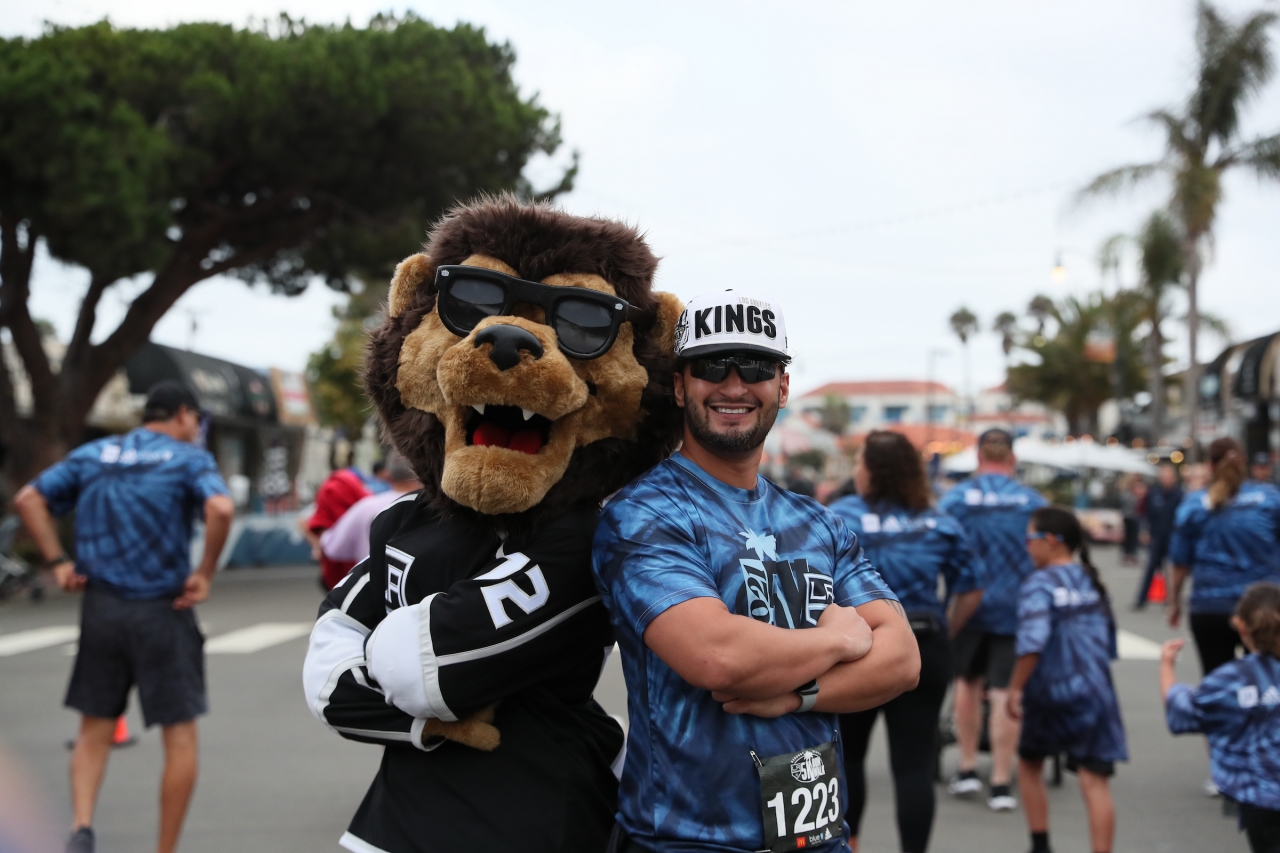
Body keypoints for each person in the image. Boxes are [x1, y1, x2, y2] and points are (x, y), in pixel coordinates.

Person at [593, 289, 920, 853]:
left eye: (757, 366)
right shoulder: (644, 513)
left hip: (817, 838)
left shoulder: (817, 522)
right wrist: (839, 637)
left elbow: (902, 660)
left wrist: (799, 696)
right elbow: (719, 657)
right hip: (685, 839)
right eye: (712, 365)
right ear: (680, 385)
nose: (735, 384)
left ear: (782, 386)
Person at [13, 381, 234, 853]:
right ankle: (164, 848)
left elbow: (28, 499)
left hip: (102, 609)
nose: (195, 429)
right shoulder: (189, 459)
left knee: (93, 729)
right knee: (179, 737)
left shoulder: (95, 453)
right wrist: (205, 573)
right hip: (163, 610)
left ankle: (81, 828)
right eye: (195, 420)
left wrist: (57, 563)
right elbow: (219, 507)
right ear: (181, 414)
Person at [828, 430, 985, 853]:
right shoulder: (938, 519)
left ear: (872, 471)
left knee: (850, 757)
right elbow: (970, 586)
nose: (856, 471)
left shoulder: (837, 516)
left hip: (856, 646)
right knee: (914, 765)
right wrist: (946, 626)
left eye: (860, 462)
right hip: (924, 642)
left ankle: (851, 844)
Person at [937, 428, 1047, 811]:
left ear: (978, 456)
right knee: (1005, 693)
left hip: (968, 605)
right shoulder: (1032, 502)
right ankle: (1001, 780)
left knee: (966, 685)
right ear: (1012, 459)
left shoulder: (956, 499)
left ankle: (967, 769)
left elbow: (937, 544)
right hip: (1016, 608)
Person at [1008, 507, 1126, 853]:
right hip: (1095, 691)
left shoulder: (1039, 584)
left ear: (1049, 541)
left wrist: (1015, 688)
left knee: (1030, 764)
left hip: (1050, 692)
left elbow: (1032, 642)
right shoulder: (1091, 580)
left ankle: (1040, 845)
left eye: (1029, 539)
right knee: (1094, 780)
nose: (1026, 548)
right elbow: (1110, 644)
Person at [1162, 581, 1280, 853]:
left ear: (1240, 626)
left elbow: (1183, 713)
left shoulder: (1233, 679)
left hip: (1262, 799)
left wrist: (1167, 667)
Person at [1168, 437, 1280, 675]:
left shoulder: (1194, 504)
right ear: (1244, 463)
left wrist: (1174, 601)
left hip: (1210, 607)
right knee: (1269, 684)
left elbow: (1180, 561)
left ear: (1210, 465)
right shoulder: (1270, 499)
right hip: (1264, 607)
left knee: (1217, 684)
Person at [318, 451, 421, 564]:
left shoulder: (364, 508)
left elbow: (332, 548)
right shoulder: (437, 511)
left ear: (387, 474)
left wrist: (320, 530)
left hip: (373, 579)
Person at [302, 466, 369, 590]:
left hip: (336, 567)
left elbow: (307, 523)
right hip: (362, 568)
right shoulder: (366, 503)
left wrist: (319, 546)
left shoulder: (328, 493)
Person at [1133, 462, 1182, 610]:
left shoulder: (1180, 494)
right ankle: (1141, 600)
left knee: (1172, 571)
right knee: (1150, 568)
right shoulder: (1154, 494)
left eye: (1169, 476)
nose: (1166, 479)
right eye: (1164, 476)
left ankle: (1172, 600)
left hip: (1173, 538)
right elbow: (1145, 515)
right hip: (1156, 537)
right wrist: (1144, 531)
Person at [1118, 475, 1143, 566]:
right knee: (1128, 537)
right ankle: (1127, 555)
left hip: (1135, 517)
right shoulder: (1127, 494)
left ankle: (1132, 554)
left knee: (1133, 537)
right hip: (1128, 518)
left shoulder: (1135, 494)